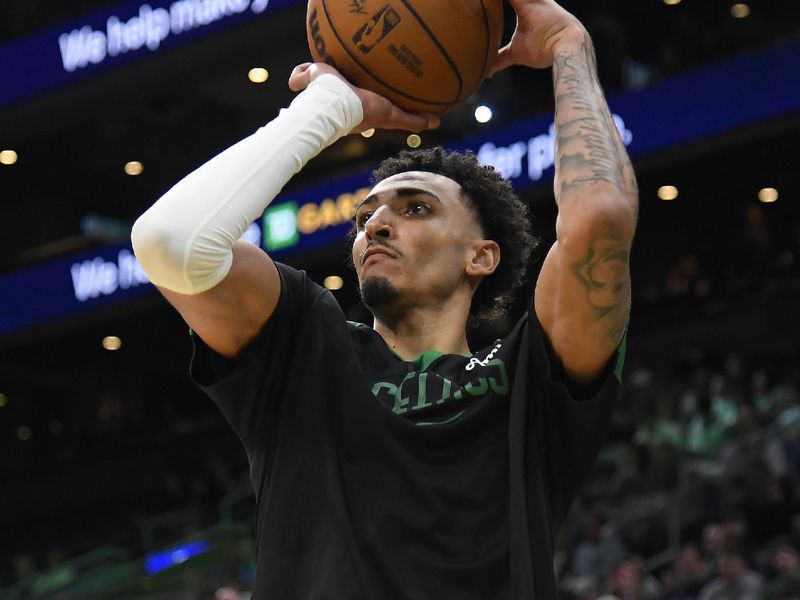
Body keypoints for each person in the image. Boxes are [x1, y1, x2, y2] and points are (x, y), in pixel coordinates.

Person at [131, 0, 638, 597]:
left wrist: (566, 46)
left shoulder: (529, 372)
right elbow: (171, 242)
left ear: (482, 256)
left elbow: (600, 217)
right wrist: (329, 108)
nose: (375, 225)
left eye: (415, 208)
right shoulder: (304, 345)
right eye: (366, 215)